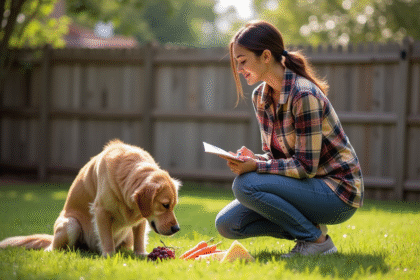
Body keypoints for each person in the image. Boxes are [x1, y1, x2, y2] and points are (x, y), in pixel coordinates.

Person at [215, 20, 364, 257]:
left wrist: (257, 166)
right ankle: (311, 230)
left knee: (245, 185)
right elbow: (279, 158)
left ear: (265, 56)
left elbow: (304, 167)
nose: (240, 69)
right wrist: (254, 159)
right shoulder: (261, 97)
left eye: (242, 61)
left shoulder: (303, 95)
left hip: (337, 193)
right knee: (227, 223)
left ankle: (316, 242)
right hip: (306, 188)